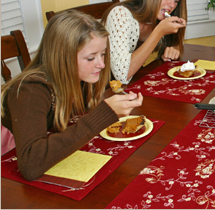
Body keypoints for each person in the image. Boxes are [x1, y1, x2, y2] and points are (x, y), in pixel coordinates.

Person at [1, 10, 143, 181]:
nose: (101, 64)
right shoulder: (30, 91)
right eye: (91, 58)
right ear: (63, 57)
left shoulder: (80, 78)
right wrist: (105, 114)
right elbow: (31, 164)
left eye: (103, 54)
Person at [101, 0, 188, 84]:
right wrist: (159, 32)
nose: (172, 5)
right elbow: (121, 75)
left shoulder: (158, 18)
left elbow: (175, 45)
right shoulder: (120, 14)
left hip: (134, 82)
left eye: (176, 1)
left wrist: (174, 48)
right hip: (105, 86)